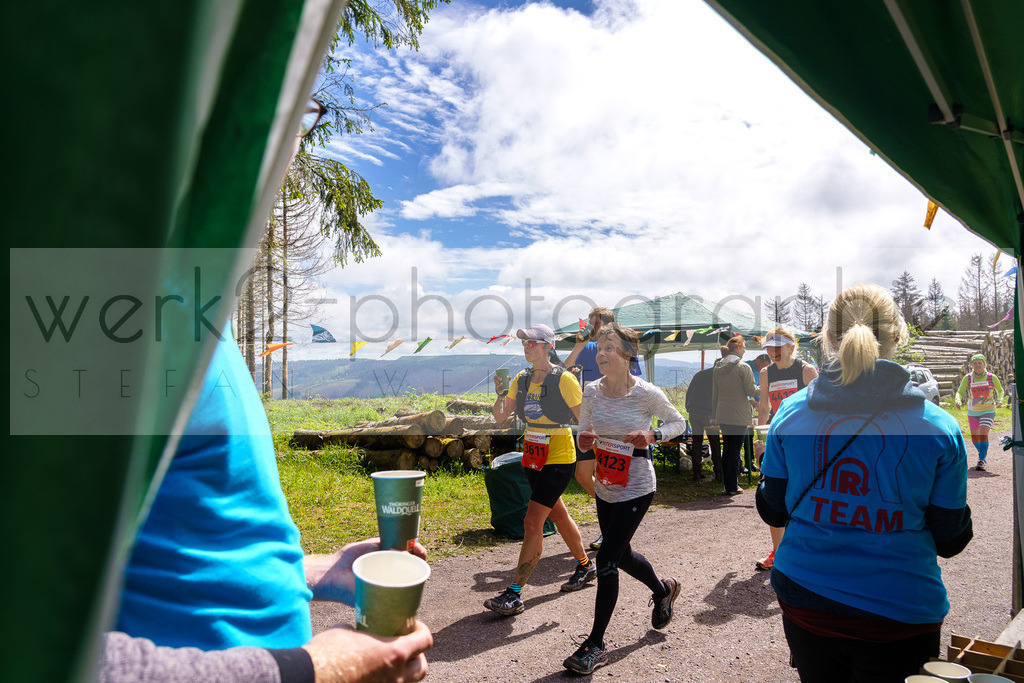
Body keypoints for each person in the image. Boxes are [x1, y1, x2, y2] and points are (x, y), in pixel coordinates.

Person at [106, 335, 432, 682]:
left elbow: (181, 542)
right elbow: (53, 655)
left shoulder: (198, 317)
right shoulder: (106, 322)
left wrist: (317, 571)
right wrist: (316, 670)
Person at [756, 284, 973, 682]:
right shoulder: (939, 427)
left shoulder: (790, 413)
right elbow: (951, 540)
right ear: (897, 336)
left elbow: (773, 509)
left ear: (828, 338)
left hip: (806, 598)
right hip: (901, 610)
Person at [562, 324, 688, 675]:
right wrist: (585, 440)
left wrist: (652, 434)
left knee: (606, 559)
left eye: (610, 349)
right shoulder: (590, 390)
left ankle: (595, 644)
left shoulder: (646, 393)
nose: (601, 354)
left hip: (637, 487)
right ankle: (664, 589)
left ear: (629, 355)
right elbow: (584, 430)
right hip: (606, 484)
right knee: (623, 553)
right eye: (599, 348)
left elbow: (679, 423)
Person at [485, 324, 594, 616]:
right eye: (524, 342)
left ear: (548, 346)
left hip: (559, 456)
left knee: (533, 523)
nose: (526, 346)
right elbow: (500, 418)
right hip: (533, 456)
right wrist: (499, 393)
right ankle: (585, 565)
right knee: (557, 514)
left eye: (532, 342)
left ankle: (515, 592)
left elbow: (585, 420)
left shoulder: (565, 379)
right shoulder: (520, 379)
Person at [565, 306, 642, 551]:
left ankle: (610, 529)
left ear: (608, 326)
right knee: (582, 475)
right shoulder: (588, 348)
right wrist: (579, 343)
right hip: (590, 422)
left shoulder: (623, 350)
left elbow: (636, 384)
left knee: (609, 476)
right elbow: (563, 369)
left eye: (595, 325)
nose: (590, 328)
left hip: (615, 422)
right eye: (589, 324)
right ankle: (612, 523)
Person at [753, 326, 818, 571]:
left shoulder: (807, 371)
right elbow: (763, 408)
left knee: (803, 493)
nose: (773, 352)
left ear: (792, 347)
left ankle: (805, 549)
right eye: (769, 348)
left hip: (803, 441)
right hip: (777, 439)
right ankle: (778, 553)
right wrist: (759, 437)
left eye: (778, 347)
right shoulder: (766, 372)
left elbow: (819, 409)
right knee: (773, 494)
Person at [712, 335, 757, 495]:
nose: (745, 350)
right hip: (738, 414)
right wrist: (765, 386)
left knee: (728, 449)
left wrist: (714, 412)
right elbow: (751, 391)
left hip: (723, 412)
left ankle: (728, 484)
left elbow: (715, 393)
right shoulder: (743, 367)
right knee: (735, 450)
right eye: (744, 347)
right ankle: (732, 486)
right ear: (738, 348)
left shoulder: (718, 367)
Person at [955, 353, 1005, 470]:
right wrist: (958, 400)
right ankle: (982, 452)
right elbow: (960, 392)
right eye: (975, 363)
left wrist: (999, 400)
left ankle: (981, 460)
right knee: (974, 438)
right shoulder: (968, 377)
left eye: (979, 363)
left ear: (984, 364)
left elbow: (1000, 390)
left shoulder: (991, 377)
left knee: (983, 434)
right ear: (972, 365)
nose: (977, 365)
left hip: (988, 410)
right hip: (973, 411)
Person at [684, 358, 722, 482]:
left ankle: (697, 472)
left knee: (696, 442)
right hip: (708, 413)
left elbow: (688, 393)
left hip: (694, 412)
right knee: (714, 442)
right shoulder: (718, 377)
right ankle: (718, 472)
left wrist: (689, 407)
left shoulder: (700, 374)